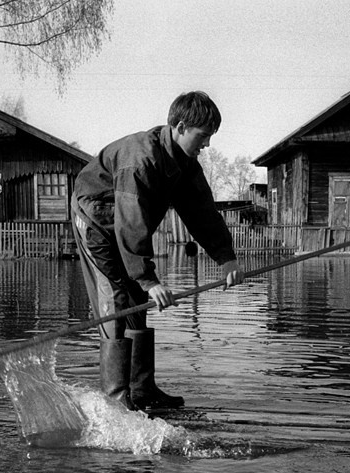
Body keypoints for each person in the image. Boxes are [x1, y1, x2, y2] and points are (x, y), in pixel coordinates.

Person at [71, 91, 245, 410]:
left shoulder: (186, 165)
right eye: (203, 136)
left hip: (125, 222)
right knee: (118, 300)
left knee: (138, 301)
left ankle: (143, 391)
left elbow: (202, 213)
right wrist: (149, 280)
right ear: (180, 126)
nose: (206, 145)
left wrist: (226, 258)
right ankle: (116, 401)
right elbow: (131, 222)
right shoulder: (141, 159)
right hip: (94, 217)